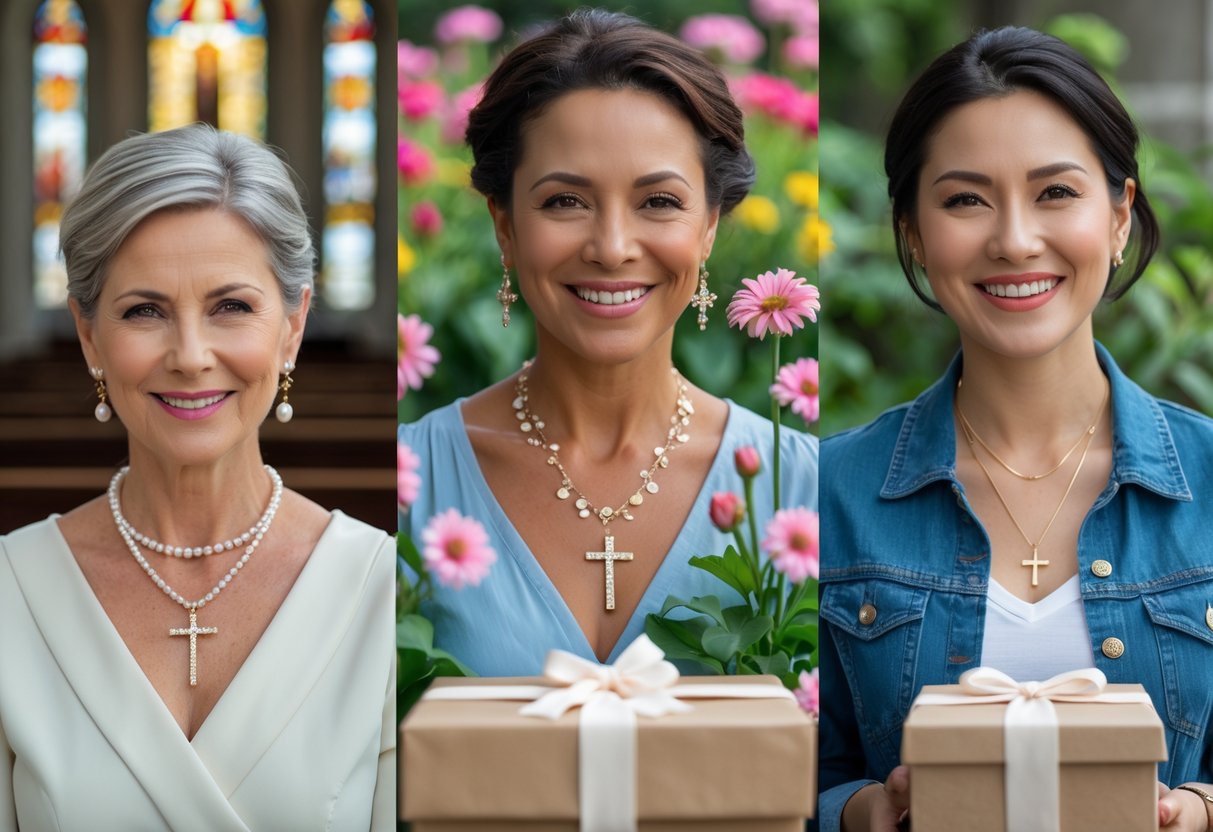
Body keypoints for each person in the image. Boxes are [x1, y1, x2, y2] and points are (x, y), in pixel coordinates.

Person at [818, 26, 1213, 832]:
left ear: (1118, 215)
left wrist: (1196, 810)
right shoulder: (824, 494)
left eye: (1055, 193)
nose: (1013, 239)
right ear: (913, 235)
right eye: (965, 199)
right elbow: (777, 772)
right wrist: (857, 810)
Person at [400, 9, 818, 676]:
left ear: (708, 227)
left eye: (658, 203)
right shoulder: (405, 484)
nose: (613, 248)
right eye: (566, 202)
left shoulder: (801, 485)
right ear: (504, 227)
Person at [0, 125, 395, 831]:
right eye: (144, 311)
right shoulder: (10, 593)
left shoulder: (380, 591)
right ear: (90, 336)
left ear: (292, 326)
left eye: (231, 307)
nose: (189, 355)